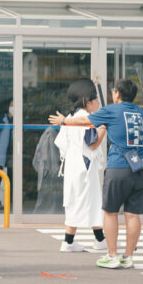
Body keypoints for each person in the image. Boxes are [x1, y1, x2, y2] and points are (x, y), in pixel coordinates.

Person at [50, 78, 143, 270]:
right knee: (133, 215)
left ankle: (111, 255)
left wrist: (64, 121)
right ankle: (128, 256)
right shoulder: (138, 112)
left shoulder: (111, 111)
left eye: (113, 91)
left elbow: (85, 122)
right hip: (140, 168)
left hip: (119, 168)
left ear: (118, 94)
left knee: (110, 212)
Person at [54, 79, 107, 253]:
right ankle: (87, 241)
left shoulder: (70, 117)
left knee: (78, 202)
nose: (98, 103)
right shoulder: (84, 119)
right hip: (85, 166)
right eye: (96, 100)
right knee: (89, 201)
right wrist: (103, 129)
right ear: (87, 102)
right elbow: (92, 145)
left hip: (73, 165)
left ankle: (75, 241)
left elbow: (62, 143)